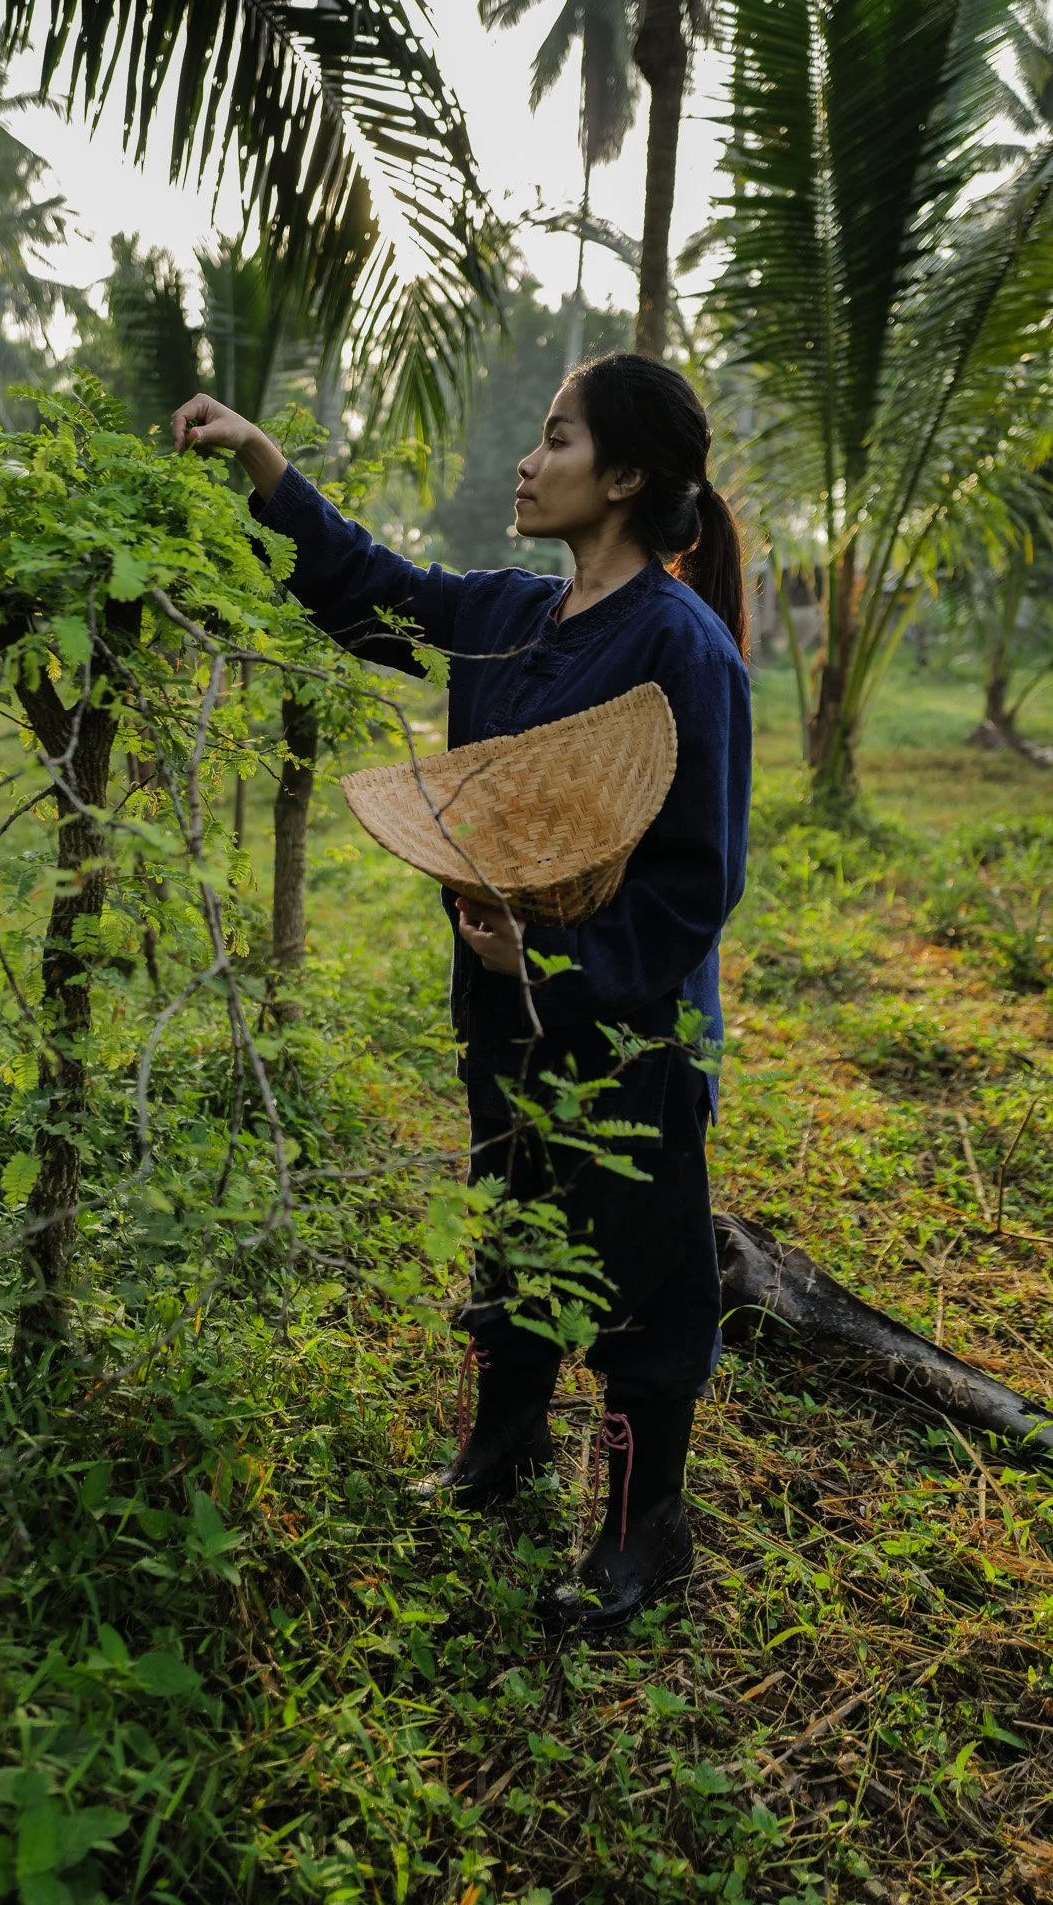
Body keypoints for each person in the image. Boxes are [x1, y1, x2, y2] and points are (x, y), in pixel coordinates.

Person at [170, 353, 753, 1633]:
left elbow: (698, 881)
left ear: (626, 475)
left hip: (630, 1029)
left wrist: (563, 965)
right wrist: (266, 463)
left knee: (643, 1269)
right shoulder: (504, 615)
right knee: (514, 1216)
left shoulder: (679, 646)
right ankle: (504, 1449)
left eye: (555, 438)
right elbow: (373, 592)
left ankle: (644, 1525)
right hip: (500, 1015)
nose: (528, 460)